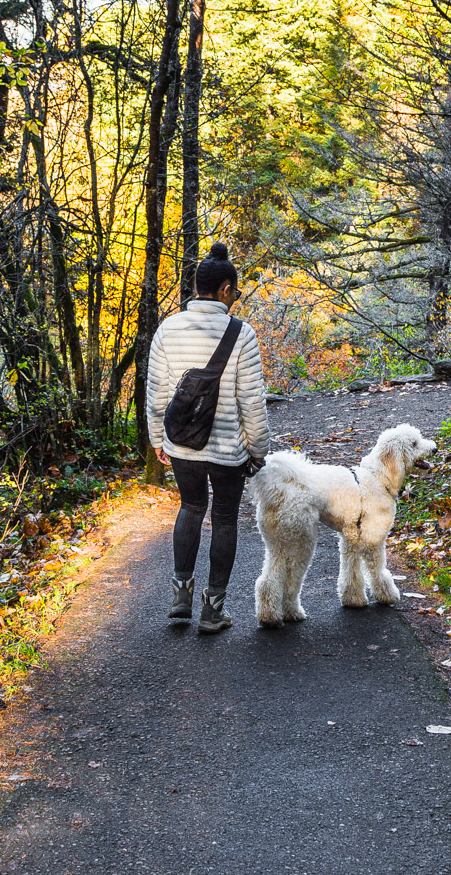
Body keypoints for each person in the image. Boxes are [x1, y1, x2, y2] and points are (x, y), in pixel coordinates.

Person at [145, 242, 268, 633]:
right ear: (226, 289)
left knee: (191, 508)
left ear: (197, 286)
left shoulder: (168, 328)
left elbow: (157, 393)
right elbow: (252, 401)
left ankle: (180, 595)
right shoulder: (242, 334)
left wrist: (158, 440)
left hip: (183, 444)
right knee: (225, 519)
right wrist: (258, 449)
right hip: (228, 449)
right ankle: (213, 611)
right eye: (235, 291)